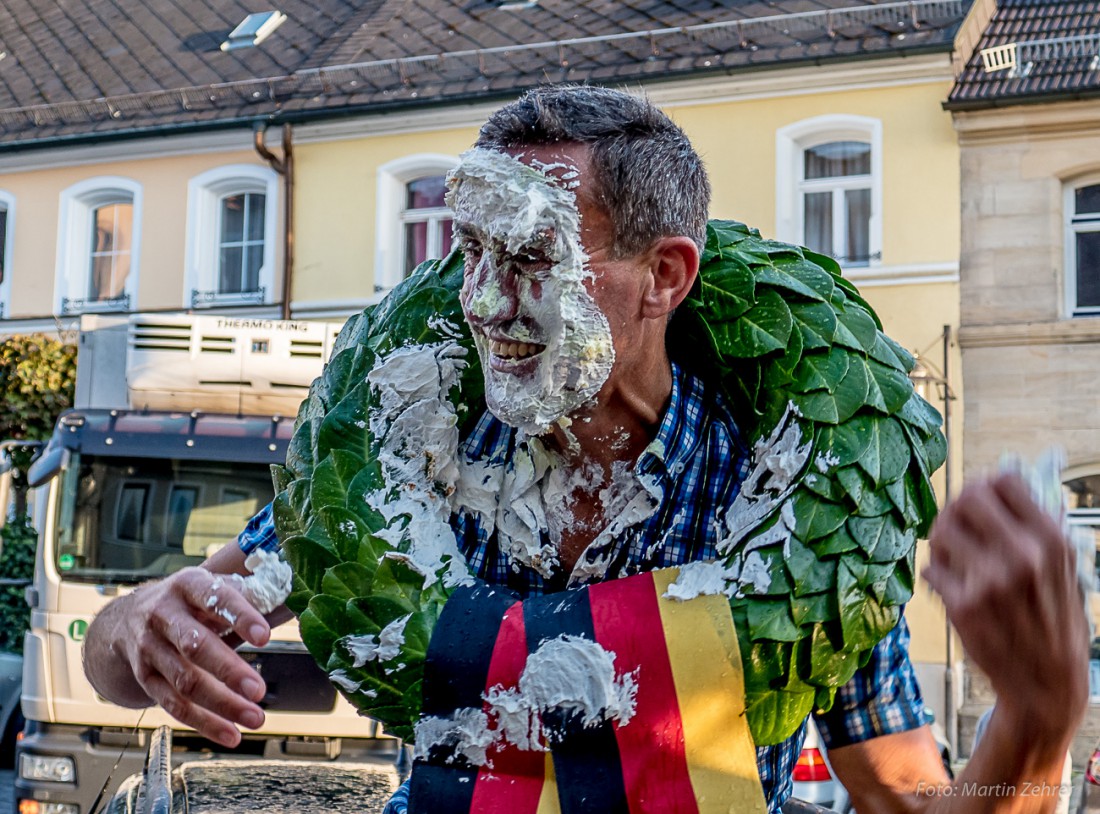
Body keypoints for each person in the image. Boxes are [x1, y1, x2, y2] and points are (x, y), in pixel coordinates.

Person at [83, 85, 1087, 813]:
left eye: (526, 257)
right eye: (466, 252)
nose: (479, 300)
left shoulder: (796, 497)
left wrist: (1037, 724)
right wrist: (135, 627)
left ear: (664, 275)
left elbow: (912, 800)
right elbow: (124, 658)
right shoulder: (415, 454)